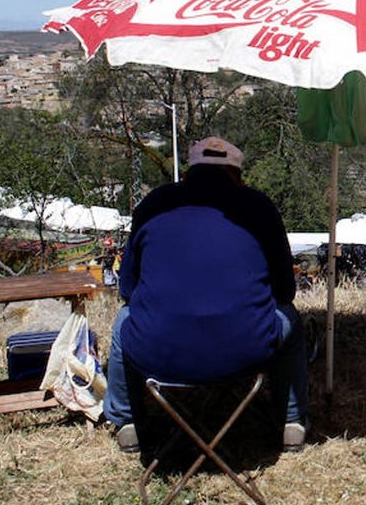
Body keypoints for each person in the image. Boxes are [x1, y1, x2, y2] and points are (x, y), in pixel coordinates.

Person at [103, 137, 308, 453]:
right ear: (237, 177)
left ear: (188, 173)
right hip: (247, 351)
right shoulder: (259, 206)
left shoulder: (154, 205)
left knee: (122, 323)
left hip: (159, 353)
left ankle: (128, 423)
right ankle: (290, 424)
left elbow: (127, 290)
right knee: (290, 319)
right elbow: (285, 291)